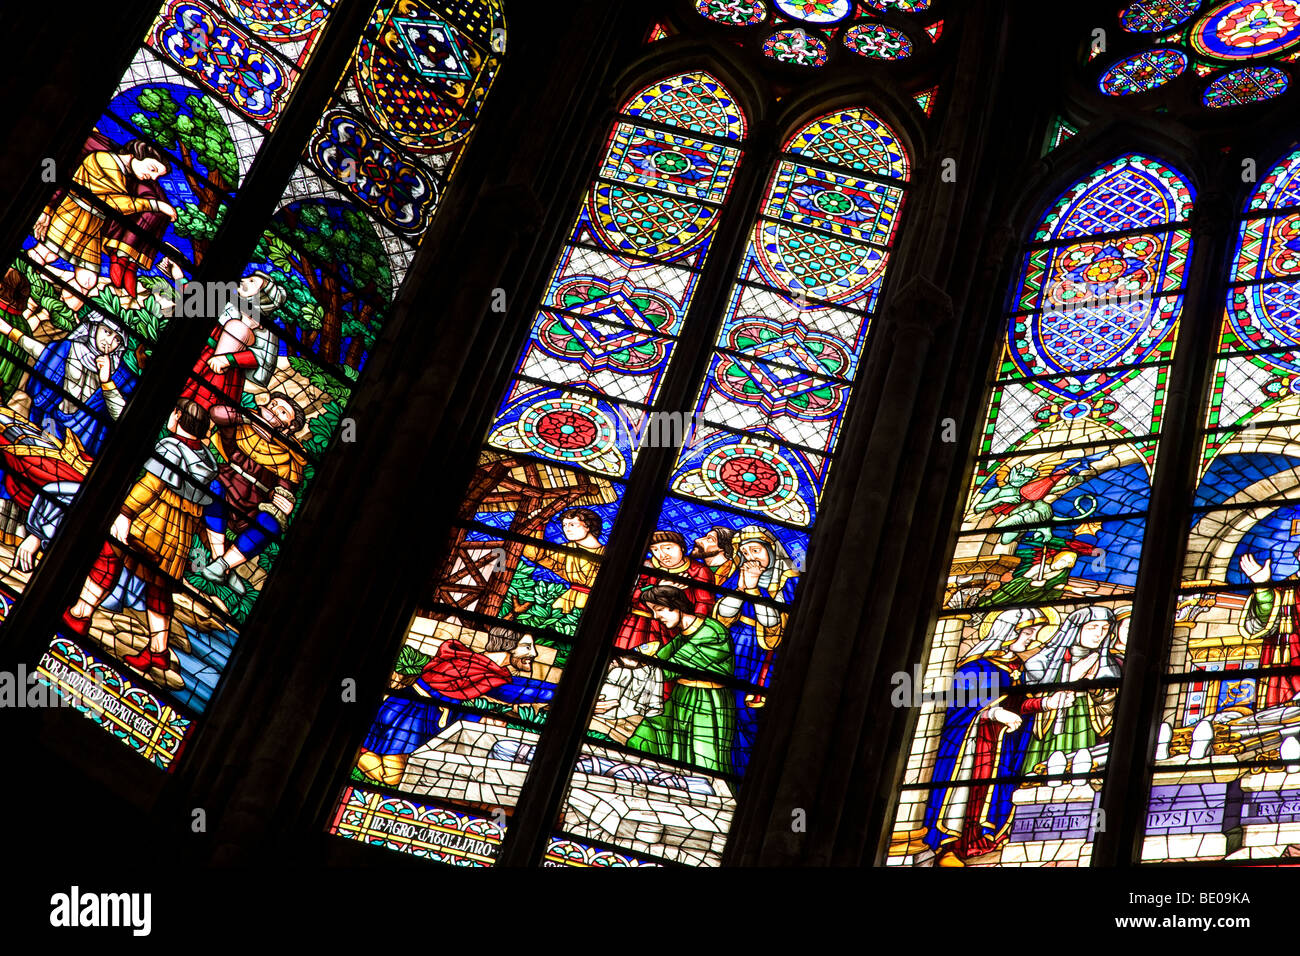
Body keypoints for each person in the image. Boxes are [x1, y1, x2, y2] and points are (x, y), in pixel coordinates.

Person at [61, 400, 217, 679]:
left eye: (173, 412)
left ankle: (79, 616)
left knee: (109, 556)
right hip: (179, 534)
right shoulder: (207, 460)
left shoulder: (172, 448)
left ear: (178, 416)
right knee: (159, 588)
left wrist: (125, 512)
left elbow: (151, 485)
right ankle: (158, 654)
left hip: (153, 521)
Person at [922, 607, 1063, 866]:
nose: (1032, 638)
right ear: (1008, 633)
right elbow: (958, 708)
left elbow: (1017, 704)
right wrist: (994, 713)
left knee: (989, 792)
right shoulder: (975, 668)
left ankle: (977, 841)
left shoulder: (1015, 667)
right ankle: (949, 847)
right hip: (969, 748)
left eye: (1034, 632)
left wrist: (1045, 704)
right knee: (964, 793)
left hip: (999, 746)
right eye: (1028, 632)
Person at [357, 626, 560, 787]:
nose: (533, 653)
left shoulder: (481, 667)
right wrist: (560, 691)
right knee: (391, 777)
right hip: (411, 714)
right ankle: (354, 754)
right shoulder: (473, 666)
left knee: (393, 772)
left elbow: (509, 688)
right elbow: (512, 691)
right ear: (508, 645)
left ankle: (357, 751)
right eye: (526, 646)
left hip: (416, 711)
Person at [29, 139, 176, 311]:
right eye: (152, 169)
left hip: (93, 227)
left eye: (157, 176)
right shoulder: (102, 160)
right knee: (43, 255)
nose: (152, 177)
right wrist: (156, 205)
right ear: (136, 153)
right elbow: (111, 202)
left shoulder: (125, 176)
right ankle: (13, 296)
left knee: (87, 281)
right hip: (72, 215)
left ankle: (52, 319)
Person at [197, 394, 307, 598]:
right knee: (213, 487)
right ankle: (222, 564)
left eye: (282, 412)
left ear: (289, 427)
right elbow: (216, 412)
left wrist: (286, 505)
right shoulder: (243, 427)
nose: (274, 410)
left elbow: (286, 491)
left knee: (272, 524)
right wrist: (248, 418)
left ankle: (222, 565)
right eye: (273, 404)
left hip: (255, 502)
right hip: (227, 481)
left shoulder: (290, 459)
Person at [714, 525, 800, 773]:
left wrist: (753, 589)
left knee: (747, 715)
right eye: (745, 551)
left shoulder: (790, 581)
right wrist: (743, 587)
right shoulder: (738, 575)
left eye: (756, 550)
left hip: (764, 658)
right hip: (732, 646)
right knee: (723, 707)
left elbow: (774, 624)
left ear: (771, 552)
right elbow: (721, 614)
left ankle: (742, 772)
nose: (750, 557)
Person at [625, 585, 735, 774]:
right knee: (644, 736)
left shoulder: (711, 633)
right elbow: (660, 660)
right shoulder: (685, 633)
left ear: (676, 606)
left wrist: (637, 666)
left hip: (708, 704)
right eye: (653, 611)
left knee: (704, 761)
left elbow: (671, 668)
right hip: (681, 696)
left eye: (659, 610)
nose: (656, 617)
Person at [0, 310, 132, 456]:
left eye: (117, 339)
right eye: (107, 331)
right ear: (94, 326)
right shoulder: (68, 348)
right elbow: (42, 352)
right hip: (50, 423)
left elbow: (126, 418)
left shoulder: (119, 374)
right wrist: (9, 330)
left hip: (86, 440)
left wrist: (107, 382)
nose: (110, 342)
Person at [1021, 605, 1124, 775]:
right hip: (1050, 730)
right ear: (1075, 629)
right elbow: (1021, 703)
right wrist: (1066, 682)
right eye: (1092, 627)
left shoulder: (1108, 665)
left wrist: (1095, 690)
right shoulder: (1043, 663)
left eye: (1105, 628)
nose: (1099, 634)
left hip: (1086, 725)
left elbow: (1112, 707)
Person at [181, 271, 286, 411]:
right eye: (248, 278)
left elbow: (260, 358)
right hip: (198, 351)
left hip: (223, 375)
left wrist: (228, 359)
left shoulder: (266, 330)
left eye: (252, 281)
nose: (243, 279)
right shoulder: (228, 301)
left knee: (200, 404)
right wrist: (179, 278)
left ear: (262, 297)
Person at [615, 530, 715, 652]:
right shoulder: (647, 567)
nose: (662, 555)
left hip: (678, 628)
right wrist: (657, 589)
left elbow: (704, 605)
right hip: (642, 623)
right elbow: (629, 596)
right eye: (655, 550)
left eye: (668, 548)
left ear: (682, 548)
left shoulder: (698, 571)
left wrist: (692, 628)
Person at [514, 507, 604, 616]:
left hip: (600, 605)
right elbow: (534, 554)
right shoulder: (565, 551)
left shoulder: (606, 553)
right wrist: (539, 526)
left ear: (588, 526)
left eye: (572, 524)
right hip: (567, 603)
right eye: (564, 525)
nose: (567, 529)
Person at [1239, 552, 1300, 708]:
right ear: (1299, 555)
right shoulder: (1286, 591)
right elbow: (1259, 625)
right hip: (1289, 680)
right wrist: (1263, 589)